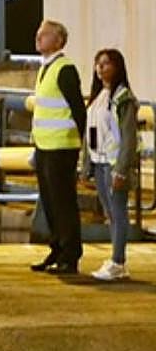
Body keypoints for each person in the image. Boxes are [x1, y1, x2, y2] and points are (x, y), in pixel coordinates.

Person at [30, 19, 86, 275]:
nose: (38, 38)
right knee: (50, 202)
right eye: (39, 34)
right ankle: (57, 247)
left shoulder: (65, 69)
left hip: (62, 146)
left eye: (44, 35)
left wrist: (83, 146)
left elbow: (77, 109)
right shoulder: (45, 68)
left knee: (63, 202)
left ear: (59, 41)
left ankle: (70, 254)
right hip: (44, 146)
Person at [80, 48, 138, 281]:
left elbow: (128, 137)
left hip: (113, 164)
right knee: (110, 214)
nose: (101, 68)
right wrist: (87, 166)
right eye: (98, 64)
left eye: (106, 64)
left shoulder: (123, 98)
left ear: (117, 67)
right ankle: (116, 258)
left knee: (118, 212)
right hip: (99, 162)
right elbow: (90, 133)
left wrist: (122, 169)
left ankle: (118, 261)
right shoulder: (97, 97)